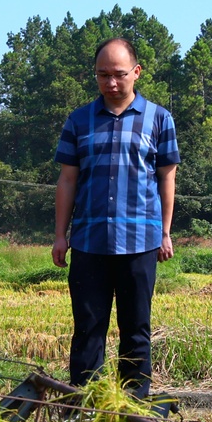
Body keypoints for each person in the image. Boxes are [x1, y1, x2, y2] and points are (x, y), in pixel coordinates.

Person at [52, 36, 179, 397]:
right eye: (102, 74)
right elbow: (67, 179)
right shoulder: (79, 120)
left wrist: (165, 232)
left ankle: (134, 405)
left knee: (136, 329)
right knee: (88, 328)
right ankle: (85, 404)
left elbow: (167, 177)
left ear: (136, 72)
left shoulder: (158, 119)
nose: (111, 82)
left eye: (119, 74)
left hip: (140, 240)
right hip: (89, 240)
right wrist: (60, 235)